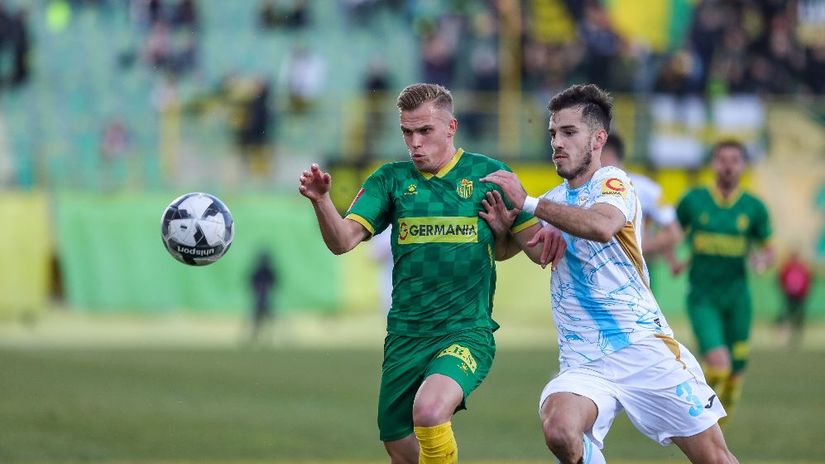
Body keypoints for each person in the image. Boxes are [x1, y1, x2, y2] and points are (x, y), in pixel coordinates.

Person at [298, 83, 560, 464]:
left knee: (430, 412)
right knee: (401, 452)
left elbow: (541, 251)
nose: (415, 143)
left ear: (451, 127)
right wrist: (321, 202)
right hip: (405, 336)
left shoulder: (490, 176)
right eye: (407, 132)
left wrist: (513, 229)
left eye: (425, 131)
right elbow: (341, 242)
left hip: (466, 331)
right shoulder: (389, 180)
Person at [480, 83, 738, 464]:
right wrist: (504, 229)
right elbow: (514, 251)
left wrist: (528, 203)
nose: (557, 143)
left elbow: (601, 226)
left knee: (715, 458)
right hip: (583, 359)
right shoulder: (551, 200)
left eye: (569, 133)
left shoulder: (614, 183)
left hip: (643, 350)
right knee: (560, 430)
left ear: (599, 138)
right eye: (553, 133)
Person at [675, 140, 773, 425]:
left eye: (735, 160)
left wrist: (762, 260)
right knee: (718, 363)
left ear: (743, 165)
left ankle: (719, 413)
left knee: (736, 367)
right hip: (703, 296)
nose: (728, 165)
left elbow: (768, 248)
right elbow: (670, 230)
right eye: (722, 159)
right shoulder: (694, 201)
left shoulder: (754, 208)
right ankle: (701, 418)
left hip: (737, 297)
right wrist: (673, 258)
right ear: (713, 164)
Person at [600, 133, 682, 277]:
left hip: (635, 276)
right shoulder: (586, 189)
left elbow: (673, 233)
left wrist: (634, 249)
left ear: (608, 154)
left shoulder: (645, 189)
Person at [777, 250, 812, 349]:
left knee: (799, 318)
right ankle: (785, 339)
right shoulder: (787, 267)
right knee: (787, 318)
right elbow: (781, 279)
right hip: (789, 297)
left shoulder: (802, 267)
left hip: (800, 297)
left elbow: (808, 280)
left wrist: (805, 293)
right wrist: (784, 290)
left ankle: (797, 338)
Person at [249, 250, 278, 344]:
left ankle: (268, 338)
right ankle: (258, 338)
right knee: (258, 321)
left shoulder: (266, 271)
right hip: (261, 300)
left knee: (262, 321)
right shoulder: (264, 271)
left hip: (264, 300)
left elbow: (274, 282)